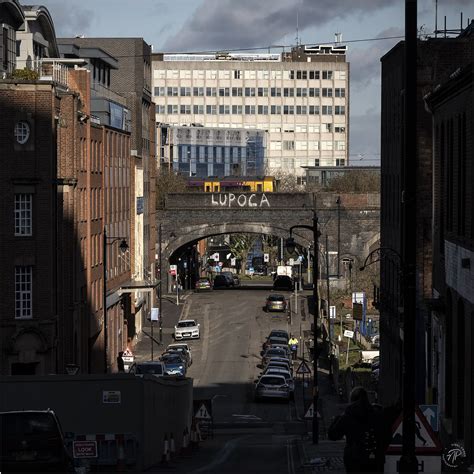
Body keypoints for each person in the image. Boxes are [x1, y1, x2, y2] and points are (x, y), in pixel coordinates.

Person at [328, 386, 388, 473]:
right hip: (374, 458)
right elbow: (386, 435)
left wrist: (338, 418)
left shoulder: (348, 415)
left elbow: (333, 435)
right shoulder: (377, 414)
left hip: (354, 459)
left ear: (352, 400)